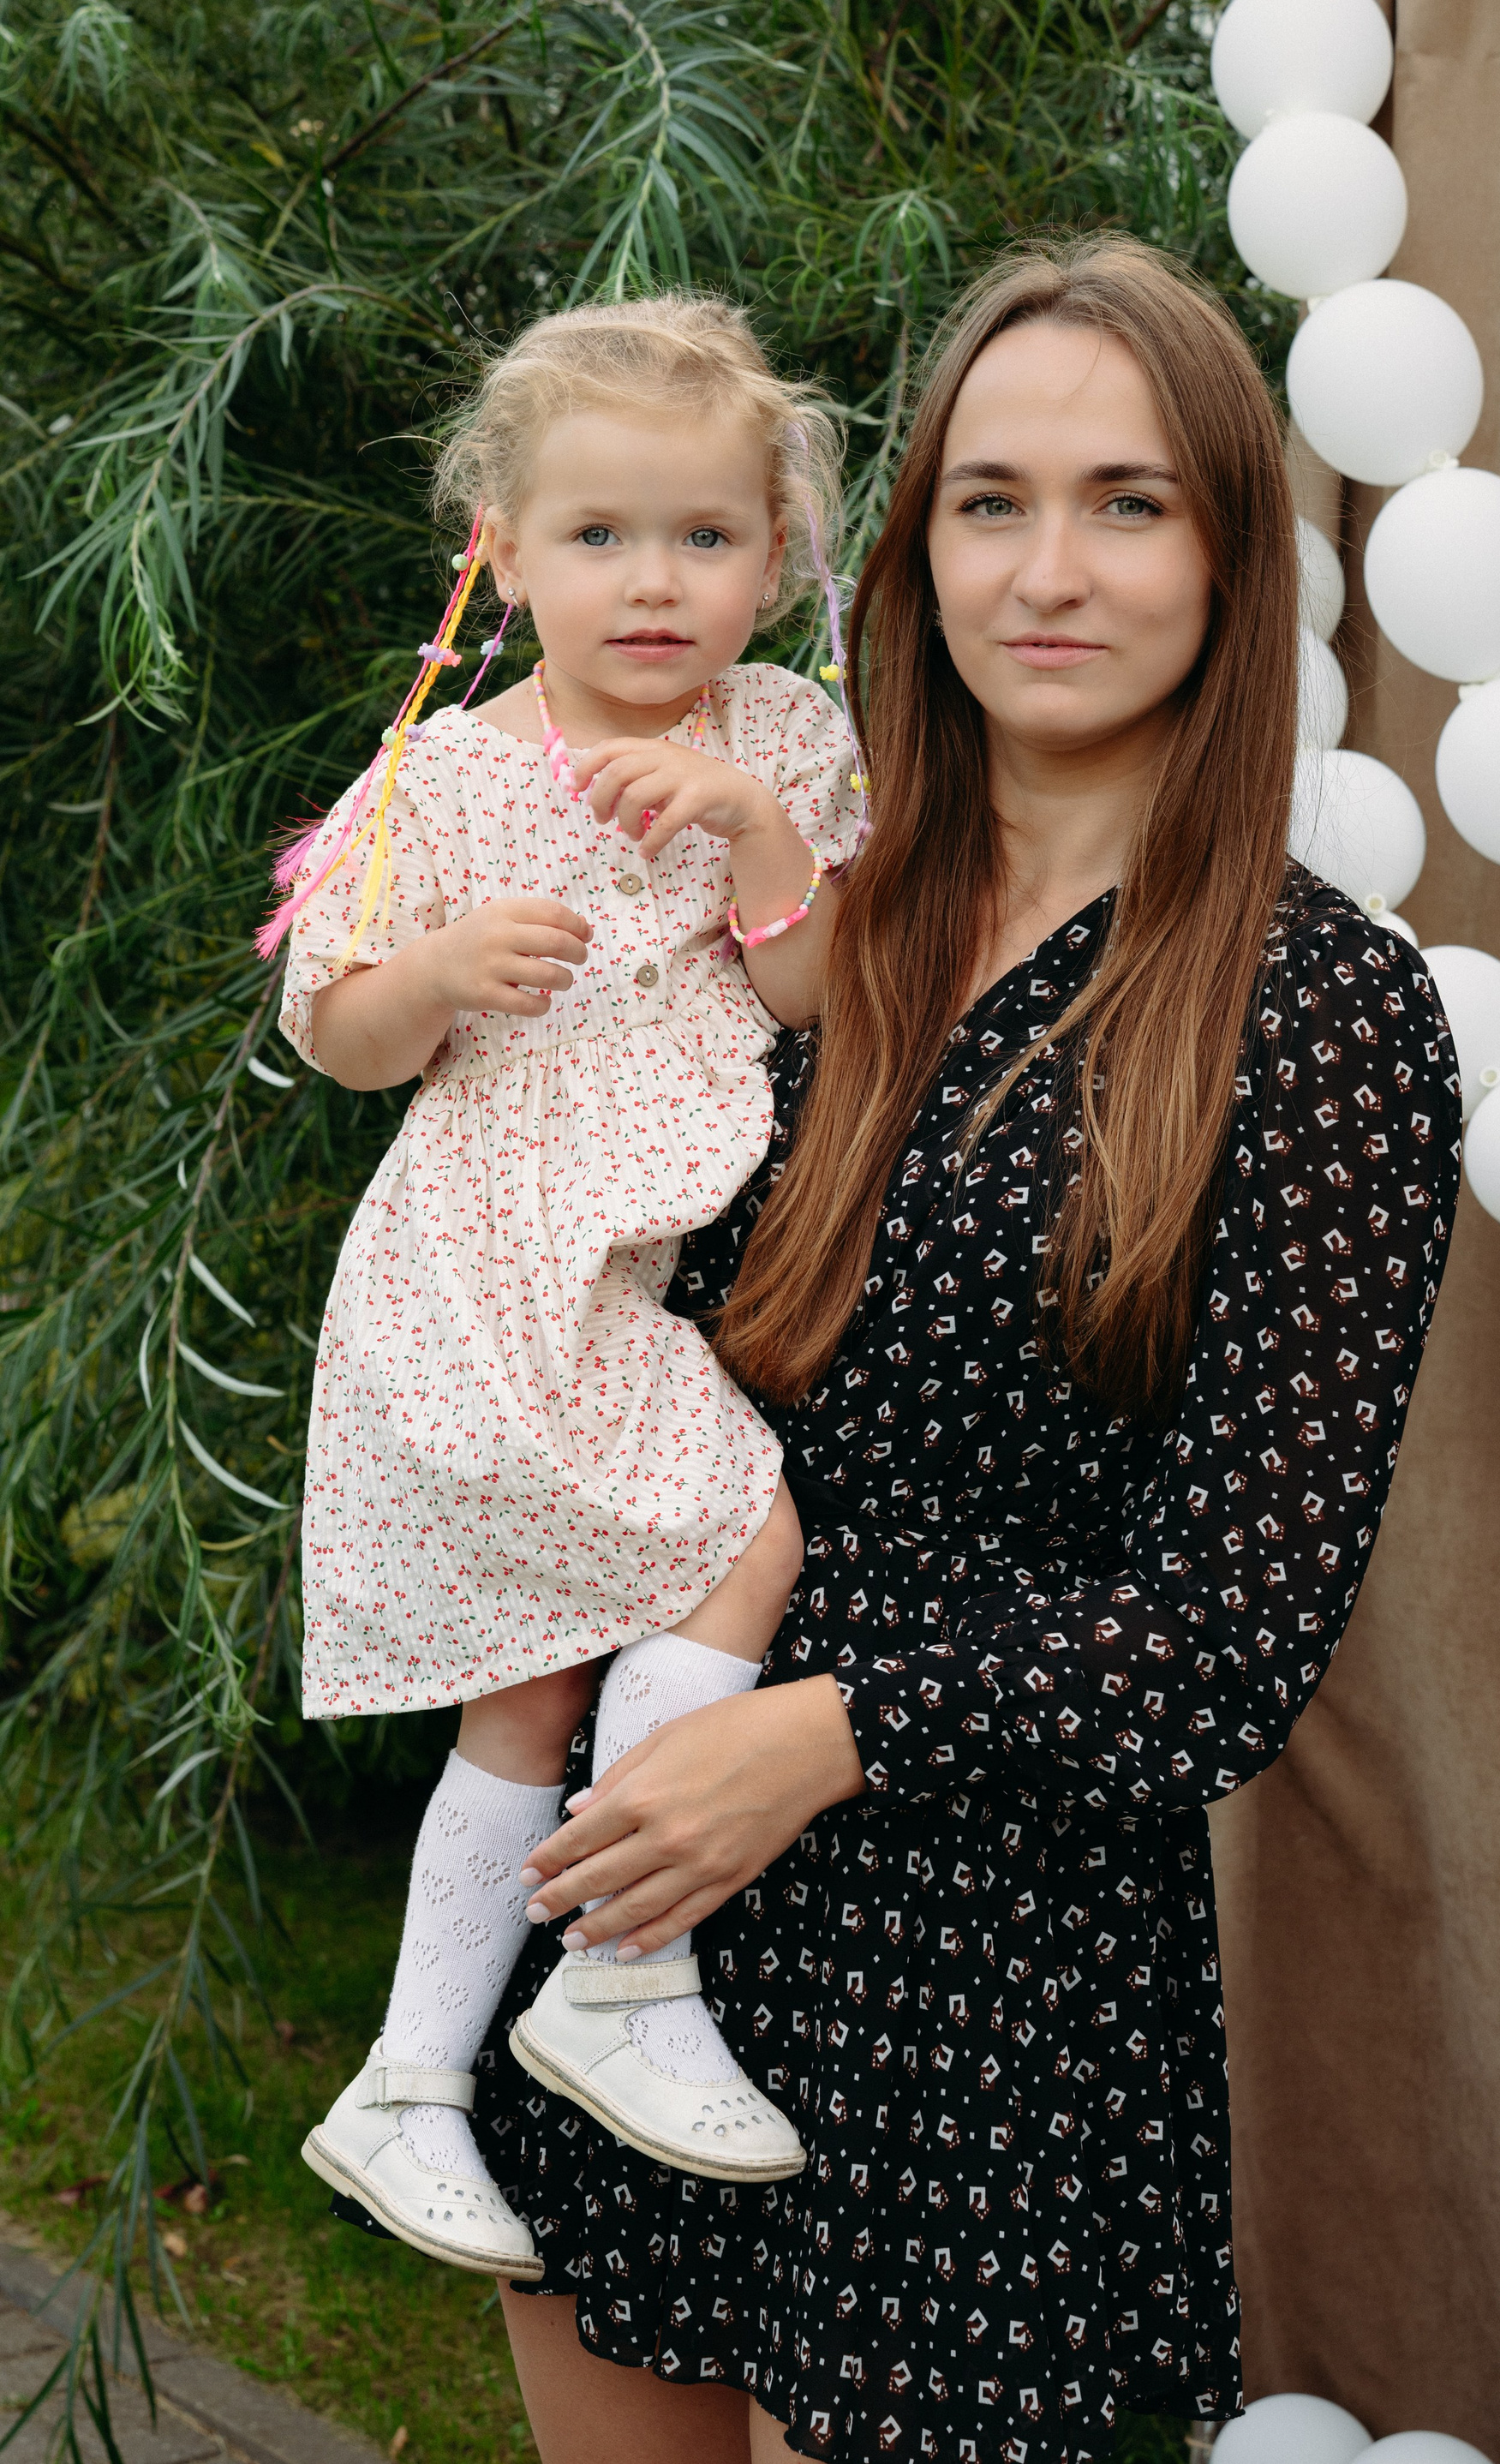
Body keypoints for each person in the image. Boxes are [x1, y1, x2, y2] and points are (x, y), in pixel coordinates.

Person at [472, 235, 1462, 2464]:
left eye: (1128, 502)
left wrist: (830, 1732)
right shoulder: (786, 910)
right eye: (992, 500)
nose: (1050, 569)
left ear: (1232, 553)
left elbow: (1231, 1628)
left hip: (982, 1974)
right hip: (639, 1885)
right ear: (917, 550)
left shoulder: (1317, 1015)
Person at [271, 294, 867, 2279]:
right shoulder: (442, 774)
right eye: (599, 535)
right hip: (483, 1276)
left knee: (532, 1685)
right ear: (505, 553)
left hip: (616, 1280)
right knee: (741, 1537)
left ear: (773, 554)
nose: (655, 580)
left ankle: (410, 2080)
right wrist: (435, 978)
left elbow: (817, 995)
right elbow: (337, 1028)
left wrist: (756, 834)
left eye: (706, 535)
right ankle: (622, 1977)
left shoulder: (780, 740)